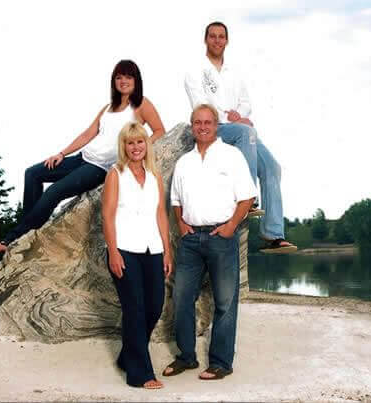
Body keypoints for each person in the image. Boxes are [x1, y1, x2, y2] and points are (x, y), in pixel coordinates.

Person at [0, 60, 165, 253]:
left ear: (136, 80)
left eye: (128, 76)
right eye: (118, 77)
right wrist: (61, 153)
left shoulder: (141, 104)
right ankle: (27, 229)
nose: (123, 81)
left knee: (55, 191)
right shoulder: (108, 108)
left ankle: (13, 238)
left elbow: (159, 130)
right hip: (82, 158)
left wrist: (136, 150)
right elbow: (87, 134)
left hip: (100, 168)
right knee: (32, 173)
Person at [184, 21, 297, 254]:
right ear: (206, 40)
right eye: (213, 36)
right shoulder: (195, 71)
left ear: (227, 41)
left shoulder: (233, 73)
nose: (217, 40)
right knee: (246, 132)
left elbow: (246, 103)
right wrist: (231, 118)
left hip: (238, 128)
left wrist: (240, 116)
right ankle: (247, 198)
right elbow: (200, 106)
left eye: (221, 37)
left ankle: (273, 234)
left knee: (273, 168)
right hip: (213, 128)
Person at [163, 104, 256, 380]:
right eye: (197, 122)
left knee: (225, 301)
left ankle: (220, 362)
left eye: (208, 122)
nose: (202, 127)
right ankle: (186, 357)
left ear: (216, 125)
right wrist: (181, 225)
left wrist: (230, 227)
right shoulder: (184, 162)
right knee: (181, 298)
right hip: (191, 241)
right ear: (192, 126)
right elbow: (176, 201)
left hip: (221, 238)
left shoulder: (232, 155)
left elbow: (247, 197)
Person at [102, 122, 173, 389]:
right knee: (135, 309)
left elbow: (160, 215)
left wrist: (167, 251)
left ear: (147, 144)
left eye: (140, 142)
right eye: (130, 143)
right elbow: (107, 216)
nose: (136, 147)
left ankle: (126, 356)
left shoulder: (155, 176)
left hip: (152, 249)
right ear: (124, 146)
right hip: (125, 250)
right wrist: (113, 252)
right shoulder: (115, 174)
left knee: (154, 306)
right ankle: (140, 374)